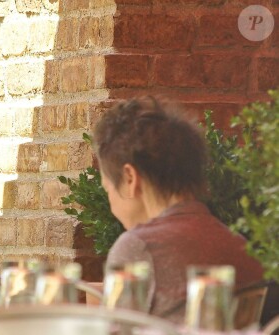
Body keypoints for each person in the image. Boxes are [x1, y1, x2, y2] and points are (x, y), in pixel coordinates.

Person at [92, 96, 263, 319]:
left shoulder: (138, 247)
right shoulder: (241, 247)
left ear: (130, 178)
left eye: (107, 189)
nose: (111, 205)